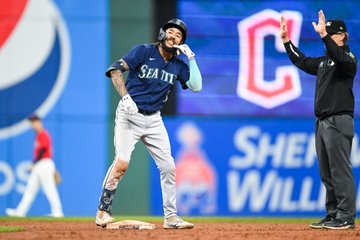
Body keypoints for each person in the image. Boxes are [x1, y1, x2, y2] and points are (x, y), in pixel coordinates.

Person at [95, 18, 202, 229]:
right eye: (170, 31)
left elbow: (196, 87)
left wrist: (192, 59)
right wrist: (125, 97)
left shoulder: (179, 64)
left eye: (178, 34)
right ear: (162, 34)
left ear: (182, 42)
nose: (173, 36)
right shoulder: (144, 51)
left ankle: (171, 218)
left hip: (154, 119)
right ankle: (103, 211)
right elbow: (114, 70)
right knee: (122, 162)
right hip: (129, 114)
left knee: (169, 167)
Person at [280, 10, 357, 230]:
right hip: (322, 122)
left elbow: (341, 58)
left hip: (338, 120)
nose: (327, 37)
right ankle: (333, 214)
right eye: (327, 34)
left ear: (342, 36)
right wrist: (287, 42)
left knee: (340, 170)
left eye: (331, 34)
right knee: (327, 172)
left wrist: (323, 35)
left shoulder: (348, 59)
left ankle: (346, 216)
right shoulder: (325, 62)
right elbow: (302, 61)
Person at [5, 114, 64, 217]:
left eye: (34, 122)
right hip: (41, 164)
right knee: (30, 189)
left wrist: (34, 163)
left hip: (44, 163)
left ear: (39, 122)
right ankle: (20, 212)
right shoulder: (38, 135)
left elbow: (43, 149)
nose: (33, 125)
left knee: (49, 189)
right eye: (32, 123)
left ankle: (57, 212)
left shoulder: (43, 134)